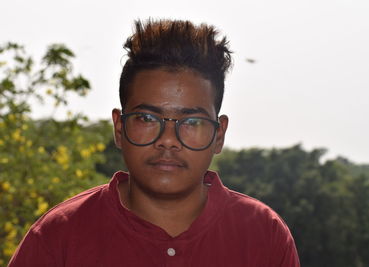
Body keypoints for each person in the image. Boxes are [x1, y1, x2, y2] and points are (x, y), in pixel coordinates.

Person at [8, 19, 300, 266]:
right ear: (119, 128)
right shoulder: (58, 237)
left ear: (219, 134)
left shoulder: (264, 235)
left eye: (192, 122)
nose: (168, 141)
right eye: (147, 119)